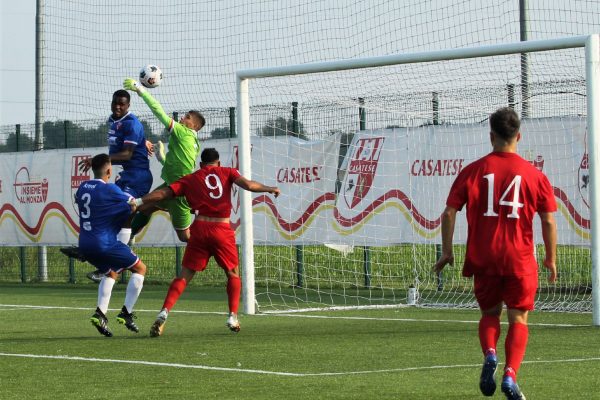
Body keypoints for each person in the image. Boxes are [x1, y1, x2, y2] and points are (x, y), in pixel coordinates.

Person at [433, 107, 557, 400]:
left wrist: (447, 251)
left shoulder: (473, 170)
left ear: (491, 136)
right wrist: (550, 259)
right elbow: (548, 219)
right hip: (519, 259)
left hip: (484, 256)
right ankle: (511, 375)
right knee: (519, 319)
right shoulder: (535, 175)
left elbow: (449, 212)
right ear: (519, 136)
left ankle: (490, 353)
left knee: (489, 314)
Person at [129, 148, 280, 336]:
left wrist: (138, 200)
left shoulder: (191, 178)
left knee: (184, 275)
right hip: (221, 230)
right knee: (232, 273)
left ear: (201, 165)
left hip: (200, 229)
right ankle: (232, 316)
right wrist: (270, 188)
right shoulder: (228, 172)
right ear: (218, 163)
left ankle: (164, 312)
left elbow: (164, 194)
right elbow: (249, 185)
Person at [61, 89, 154, 283]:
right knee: (119, 214)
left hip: (137, 176)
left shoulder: (132, 123)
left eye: (122, 104)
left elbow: (127, 154)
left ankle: (110, 263)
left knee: (125, 212)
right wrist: (143, 140)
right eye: (115, 103)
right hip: (126, 175)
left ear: (128, 106)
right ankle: (108, 261)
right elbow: (130, 141)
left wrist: (99, 159)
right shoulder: (113, 120)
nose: (118, 107)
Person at [75, 153, 148, 337]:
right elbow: (133, 204)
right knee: (140, 269)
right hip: (104, 244)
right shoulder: (111, 189)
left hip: (84, 243)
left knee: (111, 273)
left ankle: (100, 314)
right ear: (109, 170)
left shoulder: (83, 187)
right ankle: (127, 312)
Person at [123, 77, 204, 244]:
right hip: (171, 185)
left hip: (179, 192)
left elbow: (158, 111)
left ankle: (207, 242)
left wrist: (141, 90)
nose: (182, 118)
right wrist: (162, 158)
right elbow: (178, 167)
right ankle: (128, 238)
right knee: (144, 208)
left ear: (194, 126)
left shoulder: (184, 132)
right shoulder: (193, 140)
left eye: (187, 117)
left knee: (185, 237)